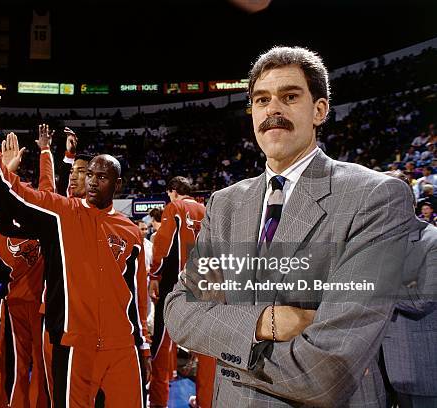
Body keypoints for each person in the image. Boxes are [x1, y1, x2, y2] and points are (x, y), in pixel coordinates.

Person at [164, 46, 416, 407]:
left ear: (319, 110)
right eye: (262, 100)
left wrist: (229, 358)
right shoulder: (224, 204)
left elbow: (328, 372)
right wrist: (267, 321)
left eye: (290, 96)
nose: (273, 110)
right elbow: (179, 313)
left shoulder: (374, 197)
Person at [0, 122, 151, 406]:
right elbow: (18, 198)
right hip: (75, 343)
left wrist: (142, 345)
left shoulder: (130, 231)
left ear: (118, 184)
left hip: (122, 344)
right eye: (90, 175)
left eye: (102, 177)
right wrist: (3, 165)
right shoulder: (61, 214)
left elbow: (136, 293)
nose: (93, 181)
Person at [0, 128, 54, 408]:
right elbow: (44, 191)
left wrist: (45, 154)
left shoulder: (41, 223)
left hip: (39, 304)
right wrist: (5, 172)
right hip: (18, 304)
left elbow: (48, 191)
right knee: (18, 364)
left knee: (39, 364)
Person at [147, 176, 214, 408]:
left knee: (163, 343)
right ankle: (205, 401)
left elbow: (162, 245)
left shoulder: (174, 208)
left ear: (174, 191)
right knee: (206, 348)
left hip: (176, 286)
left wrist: (154, 276)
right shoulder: (207, 210)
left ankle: (158, 399)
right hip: (205, 285)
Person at [380, 171, 437, 408]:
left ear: (409, 201)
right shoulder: (373, 241)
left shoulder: (431, 240)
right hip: (378, 369)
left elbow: (422, 299)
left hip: (418, 364)